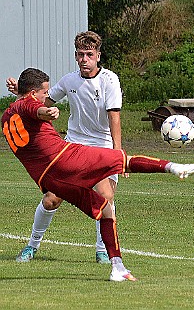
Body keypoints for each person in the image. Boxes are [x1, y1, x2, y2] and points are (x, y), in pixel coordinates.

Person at [2, 67, 194, 282]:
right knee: (123, 160)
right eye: (45, 93)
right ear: (32, 93)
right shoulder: (31, 104)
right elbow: (34, 108)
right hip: (66, 158)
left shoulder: (7, 116)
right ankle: (175, 167)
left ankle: (117, 266)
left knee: (104, 209)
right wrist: (47, 112)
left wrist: (24, 94)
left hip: (50, 180)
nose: (47, 97)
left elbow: (24, 105)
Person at [6, 31, 124, 265]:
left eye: (89, 55)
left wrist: (117, 153)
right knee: (51, 199)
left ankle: (102, 250)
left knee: (105, 196)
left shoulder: (110, 80)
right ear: (75, 56)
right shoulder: (69, 81)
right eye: (80, 55)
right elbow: (42, 101)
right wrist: (21, 91)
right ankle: (32, 246)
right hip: (72, 147)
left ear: (98, 56)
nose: (84, 59)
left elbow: (115, 118)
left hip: (102, 146)